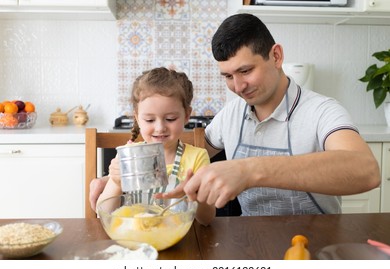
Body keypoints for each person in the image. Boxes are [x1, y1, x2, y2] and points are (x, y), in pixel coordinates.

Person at [91, 13, 380, 216]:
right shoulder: (232, 114)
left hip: (315, 240)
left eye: (245, 71)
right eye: (228, 76)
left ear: (276, 56)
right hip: (249, 240)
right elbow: (180, 153)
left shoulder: (321, 111)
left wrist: (249, 170)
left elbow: (366, 171)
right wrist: (120, 178)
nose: (238, 87)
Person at [95, 67, 215, 225]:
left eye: (170, 119)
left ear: (186, 115)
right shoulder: (129, 155)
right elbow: (103, 214)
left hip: (178, 239)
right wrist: (116, 183)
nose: (160, 128)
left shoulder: (197, 157)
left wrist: (193, 194)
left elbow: (207, 219)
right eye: (150, 120)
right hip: (133, 239)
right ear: (137, 118)